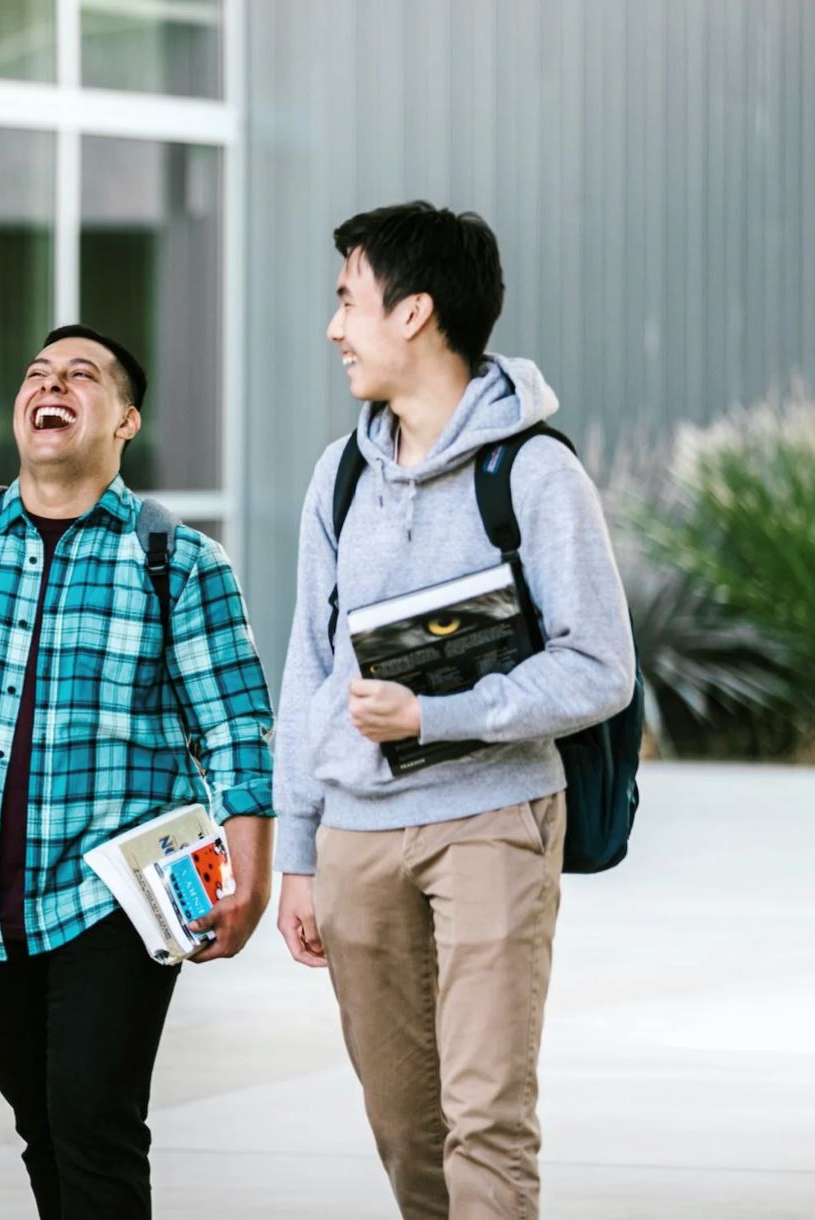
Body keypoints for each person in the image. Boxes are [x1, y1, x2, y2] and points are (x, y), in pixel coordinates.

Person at [272, 202, 636, 1219]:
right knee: (404, 1125)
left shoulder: (535, 470)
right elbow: (307, 666)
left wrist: (437, 717)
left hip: (492, 822)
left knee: (486, 1115)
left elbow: (600, 667)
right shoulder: (340, 474)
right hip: (353, 836)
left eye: (348, 302)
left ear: (414, 312)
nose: (335, 328)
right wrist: (298, 849)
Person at [0, 324, 275, 1219]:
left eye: (80, 375)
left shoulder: (179, 562)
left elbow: (238, 732)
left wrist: (251, 880)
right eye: (37, 373)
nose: (50, 386)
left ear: (125, 420)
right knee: (44, 1128)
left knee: (95, 1122)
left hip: (120, 897)